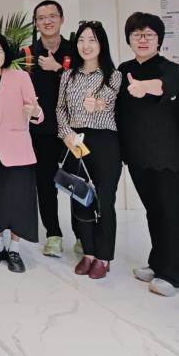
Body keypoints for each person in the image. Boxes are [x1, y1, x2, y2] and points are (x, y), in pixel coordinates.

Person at [117, 12, 179, 296]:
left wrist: (142, 87)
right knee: (154, 212)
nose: (143, 39)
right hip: (138, 157)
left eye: (149, 35)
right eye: (137, 35)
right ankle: (157, 262)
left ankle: (172, 274)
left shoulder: (171, 69)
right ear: (129, 39)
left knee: (171, 214)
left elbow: (164, 86)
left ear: (159, 39)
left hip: (170, 159)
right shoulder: (124, 69)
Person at [57, 21, 122, 280]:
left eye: (92, 40)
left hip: (105, 142)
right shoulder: (68, 75)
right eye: (82, 40)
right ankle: (89, 252)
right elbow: (60, 109)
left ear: (101, 44)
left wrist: (98, 105)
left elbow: (108, 102)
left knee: (105, 200)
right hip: (76, 141)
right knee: (80, 197)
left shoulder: (113, 75)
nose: (86, 45)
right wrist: (66, 134)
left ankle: (104, 257)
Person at [0, 32, 44, 274]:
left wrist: (34, 112)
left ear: (6, 54)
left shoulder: (20, 77)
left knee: (17, 201)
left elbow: (38, 112)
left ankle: (14, 248)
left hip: (16, 149)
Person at [26, 0, 80, 258]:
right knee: (45, 184)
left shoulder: (77, 50)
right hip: (41, 132)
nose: (47, 21)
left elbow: (84, 84)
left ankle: (83, 235)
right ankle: (53, 234)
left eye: (52, 16)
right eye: (41, 17)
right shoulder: (27, 54)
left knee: (77, 182)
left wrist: (58, 69)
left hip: (73, 130)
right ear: (36, 23)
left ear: (61, 19)